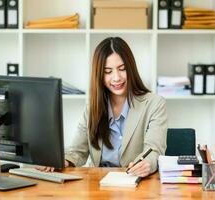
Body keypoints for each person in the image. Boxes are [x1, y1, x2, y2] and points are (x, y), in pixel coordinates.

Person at [37, 37, 167, 177]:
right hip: (97, 185)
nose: (116, 78)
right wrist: (64, 161)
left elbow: (154, 150)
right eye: (108, 71)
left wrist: (147, 164)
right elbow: (77, 151)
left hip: (135, 183)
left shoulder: (155, 104)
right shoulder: (92, 107)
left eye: (122, 69)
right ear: (99, 74)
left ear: (131, 68)